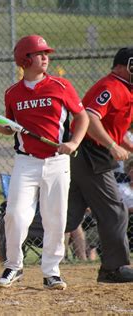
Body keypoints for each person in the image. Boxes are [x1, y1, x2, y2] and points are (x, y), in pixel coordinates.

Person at [0, 35, 89, 290]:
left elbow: (82, 117)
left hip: (57, 161)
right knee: (15, 215)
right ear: (24, 59)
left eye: (46, 53)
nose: (45, 57)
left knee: (55, 218)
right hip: (26, 162)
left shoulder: (61, 86)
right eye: (39, 53)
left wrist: (73, 143)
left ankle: (51, 271)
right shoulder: (13, 93)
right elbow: (12, 130)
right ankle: (14, 266)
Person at [66, 47, 133, 283]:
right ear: (124, 66)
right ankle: (113, 268)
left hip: (91, 152)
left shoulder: (125, 89)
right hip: (90, 151)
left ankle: (13, 229)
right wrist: (112, 146)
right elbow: (91, 117)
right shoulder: (112, 86)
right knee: (115, 212)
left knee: (69, 215)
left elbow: (113, 130)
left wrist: (122, 145)